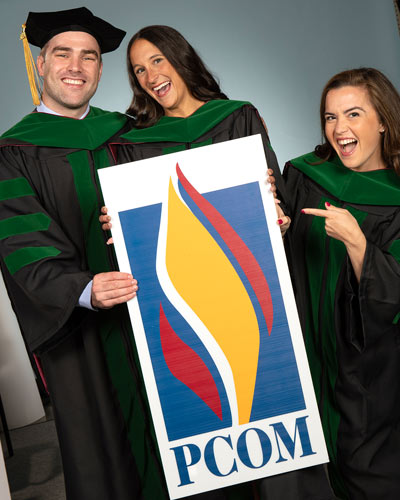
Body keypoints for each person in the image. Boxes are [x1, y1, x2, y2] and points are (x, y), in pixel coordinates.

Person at [101, 24, 335, 500]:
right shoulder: (134, 141)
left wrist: (279, 217)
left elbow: (277, 207)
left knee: (272, 415)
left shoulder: (238, 117)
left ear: (180, 57)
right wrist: (118, 219)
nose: (149, 76)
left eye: (157, 61)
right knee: (209, 422)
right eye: (138, 70)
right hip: (186, 303)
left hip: (247, 295)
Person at [0, 7, 167, 500]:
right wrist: (85, 288)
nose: (76, 66)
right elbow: (20, 242)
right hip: (81, 333)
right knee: (105, 457)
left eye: (89, 56)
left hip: (158, 312)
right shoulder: (13, 152)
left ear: (99, 68)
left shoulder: (131, 132)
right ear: (40, 66)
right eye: (62, 54)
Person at [276, 67, 400, 500]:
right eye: (330, 117)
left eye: (353, 115)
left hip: (370, 380)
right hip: (306, 360)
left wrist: (357, 242)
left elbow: (394, 296)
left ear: (383, 120)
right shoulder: (306, 176)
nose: (339, 129)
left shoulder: (397, 199)